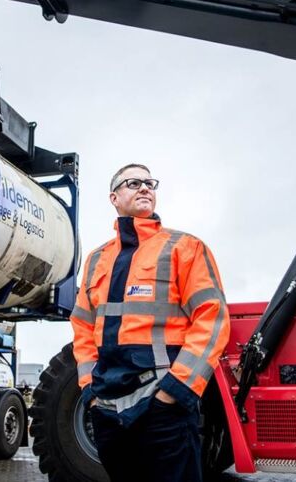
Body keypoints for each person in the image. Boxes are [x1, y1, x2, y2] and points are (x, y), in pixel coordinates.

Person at [70, 163, 230, 482]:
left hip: (163, 407)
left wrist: (175, 390)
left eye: (150, 183)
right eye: (134, 182)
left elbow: (212, 320)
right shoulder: (96, 259)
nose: (145, 188)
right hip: (107, 409)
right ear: (114, 198)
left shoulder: (185, 248)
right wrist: (89, 392)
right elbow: (82, 327)